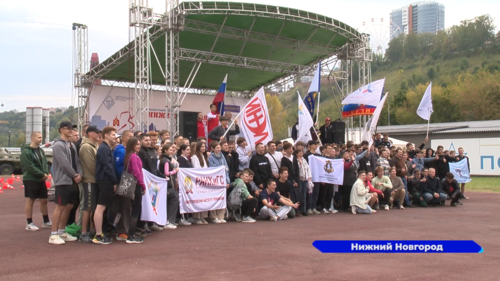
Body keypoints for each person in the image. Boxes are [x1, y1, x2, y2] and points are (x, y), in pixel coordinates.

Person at [49, 121, 82, 245]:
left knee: (69, 206)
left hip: (73, 180)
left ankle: (62, 231)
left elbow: (77, 162)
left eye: (71, 128)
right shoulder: (58, 145)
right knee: (60, 206)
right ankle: (53, 234)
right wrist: (74, 175)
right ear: (61, 130)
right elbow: (63, 163)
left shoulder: (72, 145)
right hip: (63, 181)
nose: (70, 130)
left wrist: (80, 174)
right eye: (67, 128)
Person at [20, 132, 51, 232]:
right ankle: (29, 223)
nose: (41, 139)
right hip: (31, 178)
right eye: (39, 137)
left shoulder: (40, 150)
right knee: (31, 199)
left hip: (41, 178)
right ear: (32, 138)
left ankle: (46, 221)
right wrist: (41, 175)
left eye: (41, 137)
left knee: (44, 200)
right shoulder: (26, 152)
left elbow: (45, 162)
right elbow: (29, 166)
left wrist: (45, 173)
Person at [93, 126, 118, 244]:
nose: (115, 137)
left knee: (102, 207)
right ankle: (98, 235)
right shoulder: (104, 149)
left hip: (106, 180)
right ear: (106, 135)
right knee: (101, 207)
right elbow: (107, 166)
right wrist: (115, 181)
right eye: (113, 135)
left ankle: (100, 232)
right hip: (105, 180)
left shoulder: (106, 148)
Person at [119, 137, 146, 244]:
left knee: (132, 209)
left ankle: (130, 233)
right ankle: (131, 234)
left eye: (140, 144)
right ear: (132, 145)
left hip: (131, 184)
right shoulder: (134, 156)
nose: (139, 146)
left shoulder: (129, 155)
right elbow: (136, 172)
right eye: (137, 144)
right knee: (135, 210)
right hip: (135, 185)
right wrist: (142, 185)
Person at [77, 125, 101, 243]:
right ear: (90, 133)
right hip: (89, 180)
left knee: (93, 206)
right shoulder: (86, 147)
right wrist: (101, 176)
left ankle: (91, 229)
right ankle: (83, 232)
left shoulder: (94, 145)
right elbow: (92, 166)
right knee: (87, 206)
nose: (99, 135)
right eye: (97, 132)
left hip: (93, 180)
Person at [208, 141, 231, 223]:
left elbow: (226, 169)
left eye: (219, 148)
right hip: (215, 180)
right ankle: (214, 217)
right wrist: (221, 167)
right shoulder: (211, 157)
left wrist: (227, 181)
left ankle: (221, 216)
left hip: (223, 180)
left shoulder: (222, 157)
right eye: (217, 148)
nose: (219, 149)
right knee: (214, 198)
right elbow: (211, 168)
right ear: (213, 149)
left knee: (222, 198)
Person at [159, 143, 180, 229]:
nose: (172, 151)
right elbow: (166, 173)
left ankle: (168, 220)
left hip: (168, 184)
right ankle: (169, 220)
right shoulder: (166, 161)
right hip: (167, 184)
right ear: (165, 151)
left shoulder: (167, 160)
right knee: (173, 199)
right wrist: (175, 171)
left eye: (172, 149)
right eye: (170, 149)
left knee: (171, 201)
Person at [191, 141, 209, 225]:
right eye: (202, 147)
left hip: (205, 180)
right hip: (198, 180)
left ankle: (203, 216)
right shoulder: (195, 157)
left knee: (204, 198)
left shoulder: (204, 156)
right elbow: (196, 168)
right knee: (199, 198)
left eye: (204, 147)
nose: (203, 148)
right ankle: (197, 217)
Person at [176, 144, 193, 226]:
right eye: (187, 150)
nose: (189, 151)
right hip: (183, 182)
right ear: (182, 150)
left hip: (188, 182)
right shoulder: (181, 159)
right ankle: (181, 218)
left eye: (189, 150)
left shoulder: (187, 159)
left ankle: (186, 217)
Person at [295, 149, 311, 216]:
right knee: (299, 195)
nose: (301, 154)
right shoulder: (295, 160)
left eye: (302, 153)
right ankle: (298, 210)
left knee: (304, 195)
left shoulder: (304, 159)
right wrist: (300, 163)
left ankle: (303, 209)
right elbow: (297, 169)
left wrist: (309, 176)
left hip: (305, 179)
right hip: (299, 179)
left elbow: (308, 168)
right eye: (299, 153)